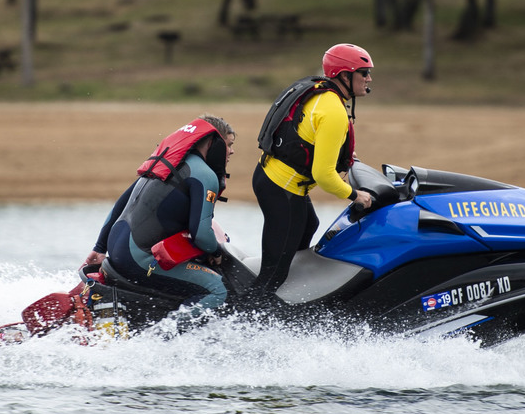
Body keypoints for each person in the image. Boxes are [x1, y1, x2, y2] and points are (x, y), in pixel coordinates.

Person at [81, 114, 236, 324]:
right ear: (213, 143)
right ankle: (163, 341)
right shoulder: (205, 175)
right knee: (217, 289)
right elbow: (201, 234)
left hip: (116, 251)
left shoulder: (165, 162)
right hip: (139, 259)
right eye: (229, 144)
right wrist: (216, 252)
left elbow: (120, 205)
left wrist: (100, 248)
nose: (232, 151)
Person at [252, 44, 375, 296]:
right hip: (282, 190)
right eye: (363, 72)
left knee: (309, 225)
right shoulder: (333, 111)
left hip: (271, 178)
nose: (369, 78)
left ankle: (285, 294)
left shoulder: (324, 95)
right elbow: (324, 176)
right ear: (344, 76)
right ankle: (247, 319)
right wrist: (355, 195)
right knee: (272, 274)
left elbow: (308, 138)